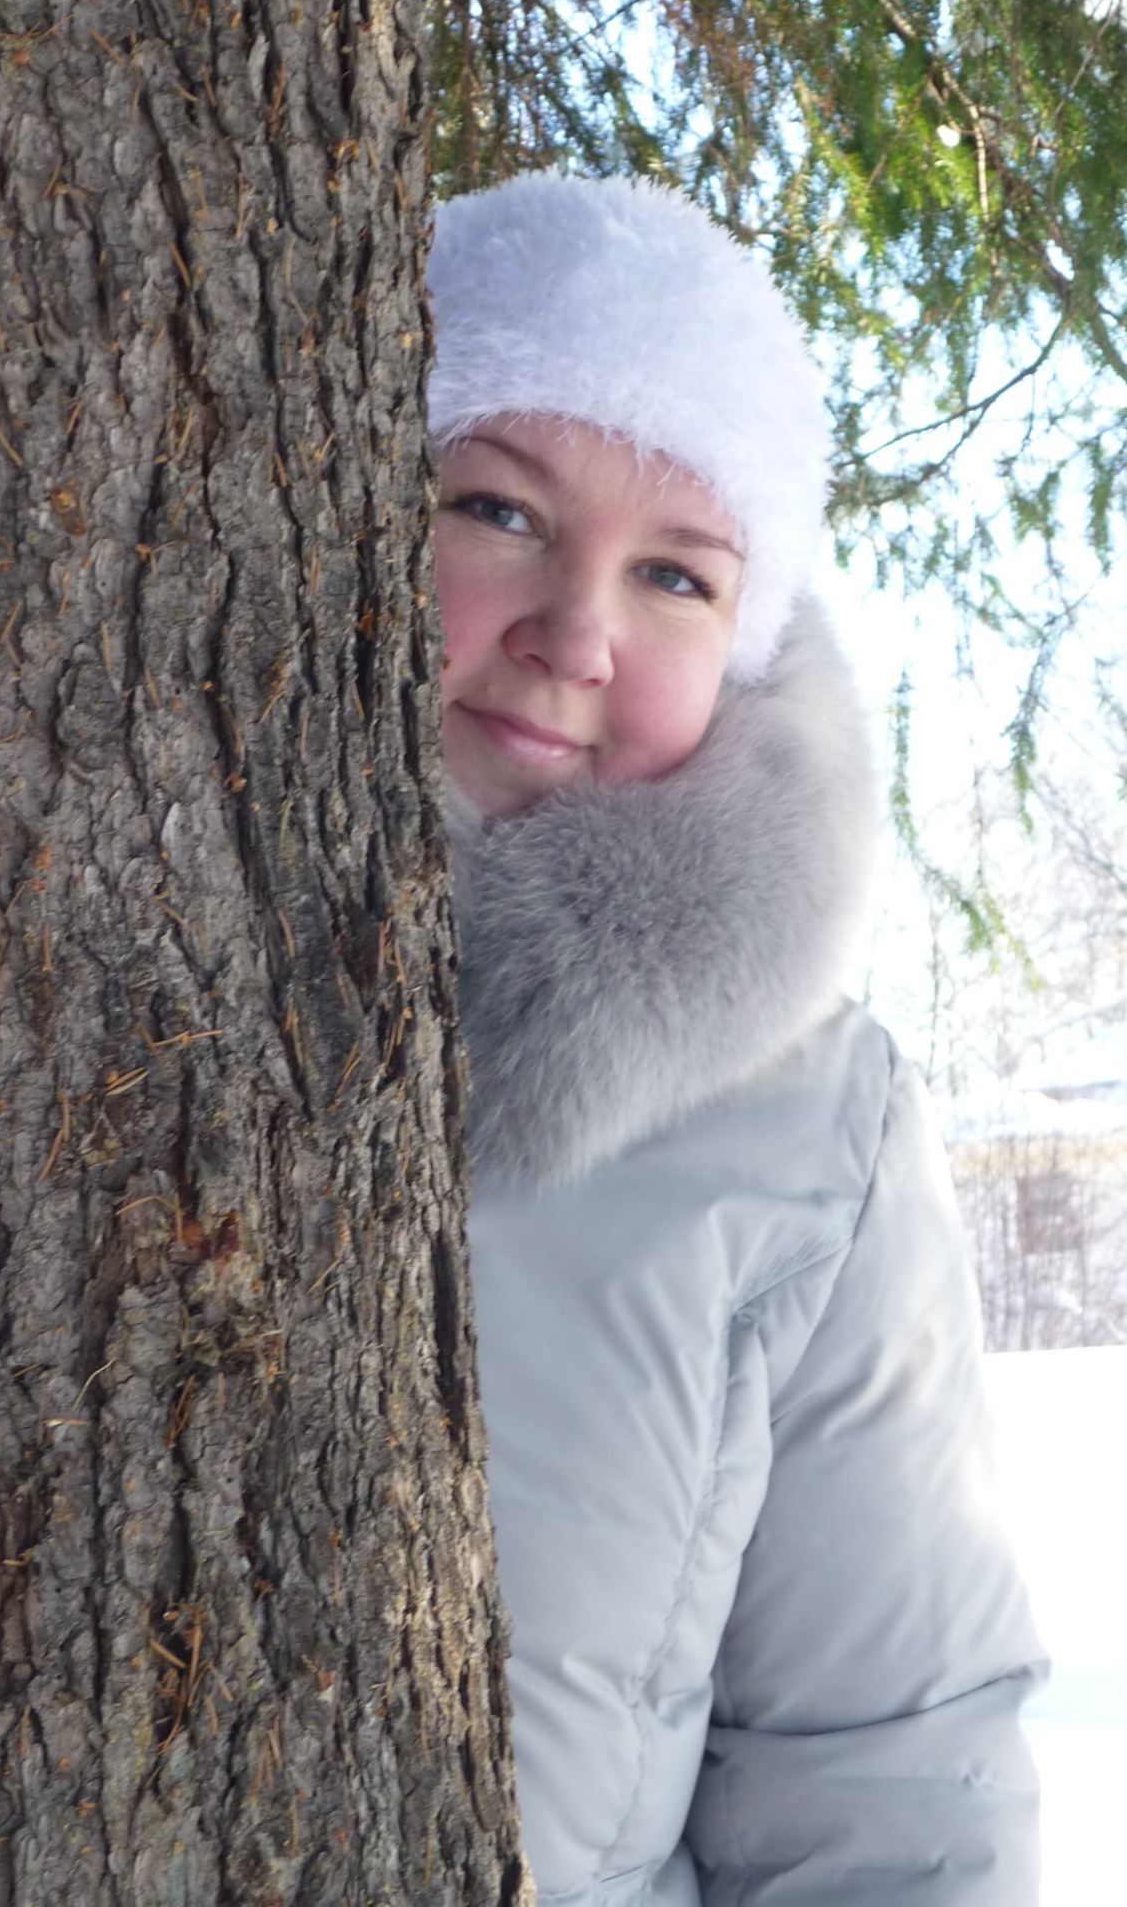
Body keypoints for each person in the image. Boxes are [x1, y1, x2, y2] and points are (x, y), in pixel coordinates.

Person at [427, 173, 1047, 1906]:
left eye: (675, 577)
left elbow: (891, 1788)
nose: (576, 635)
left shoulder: (817, 1136)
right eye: (498, 508)